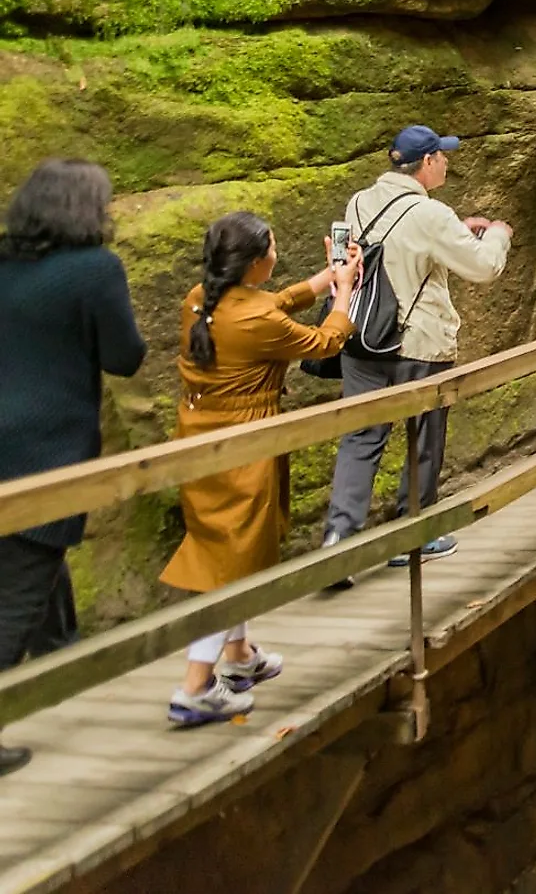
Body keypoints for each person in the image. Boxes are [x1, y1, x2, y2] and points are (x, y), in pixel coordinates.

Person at [164, 212, 359, 726]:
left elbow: (268, 306)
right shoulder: (255, 320)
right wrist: (341, 297)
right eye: (272, 247)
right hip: (242, 442)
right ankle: (195, 687)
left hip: (201, 434)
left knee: (233, 547)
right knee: (226, 566)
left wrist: (322, 280)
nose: (276, 253)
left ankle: (239, 655)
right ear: (256, 262)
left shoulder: (201, 298)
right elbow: (324, 342)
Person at [0, 160, 145, 775]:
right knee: (17, 590)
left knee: (37, 575)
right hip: (46, 450)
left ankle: (69, 669)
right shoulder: (94, 269)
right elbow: (125, 357)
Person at [321, 126, 511, 570]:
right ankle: (414, 534)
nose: (446, 161)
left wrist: (455, 232)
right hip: (416, 345)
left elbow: (383, 251)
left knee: (360, 439)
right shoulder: (430, 213)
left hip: (362, 340)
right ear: (427, 163)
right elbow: (483, 267)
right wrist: (497, 234)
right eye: (442, 156)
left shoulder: (358, 202)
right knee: (423, 438)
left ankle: (338, 539)